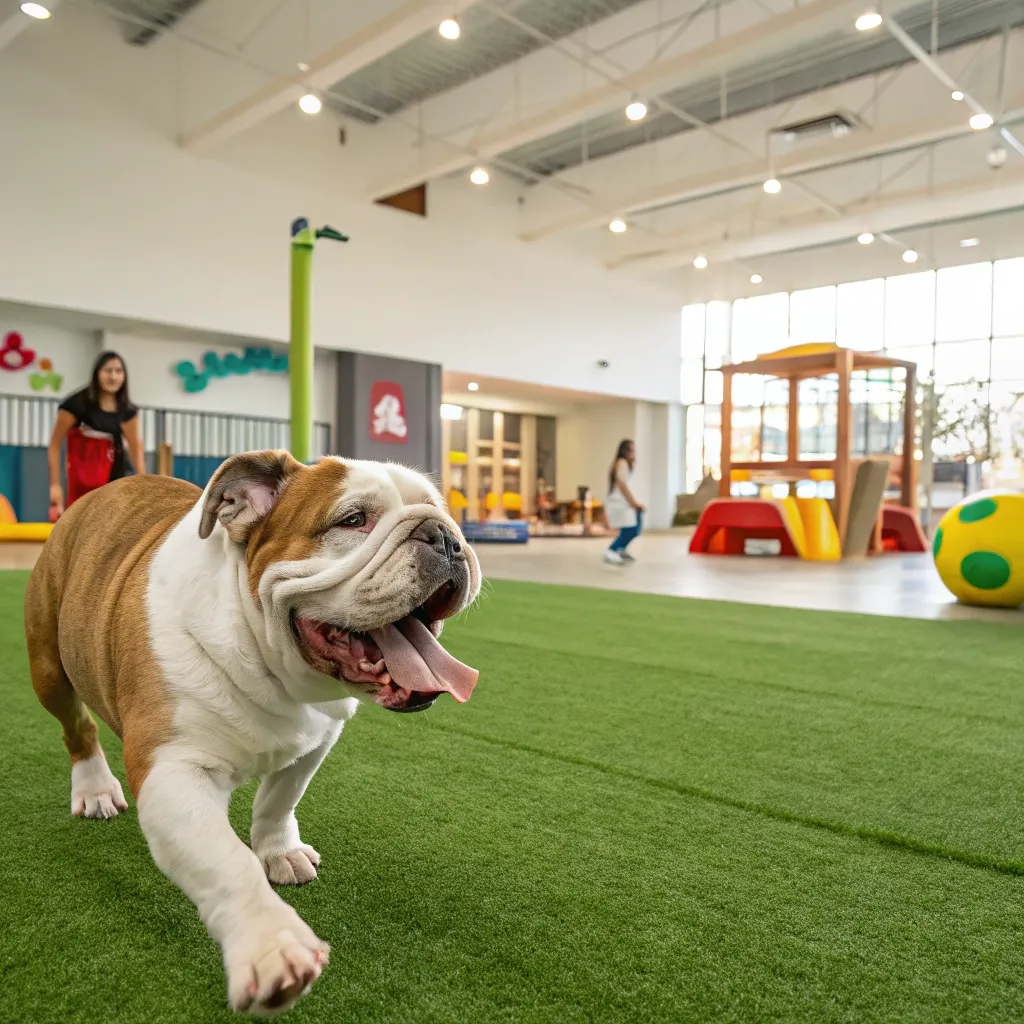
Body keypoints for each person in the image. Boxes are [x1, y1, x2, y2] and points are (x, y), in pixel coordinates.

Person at [48, 351, 145, 517]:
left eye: (118, 371)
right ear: (97, 373)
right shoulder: (76, 405)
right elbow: (55, 445)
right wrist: (55, 485)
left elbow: (135, 447)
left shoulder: (127, 410)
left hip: (117, 474)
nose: (113, 377)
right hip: (85, 477)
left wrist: (144, 482)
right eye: (108, 370)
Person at [604, 438, 644, 565]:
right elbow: (622, 485)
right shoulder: (622, 463)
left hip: (621, 501)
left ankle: (620, 549)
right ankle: (612, 550)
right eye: (631, 449)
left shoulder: (624, 464)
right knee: (632, 529)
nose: (634, 452)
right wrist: (633, 502)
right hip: (619, 502)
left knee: (630, 529)